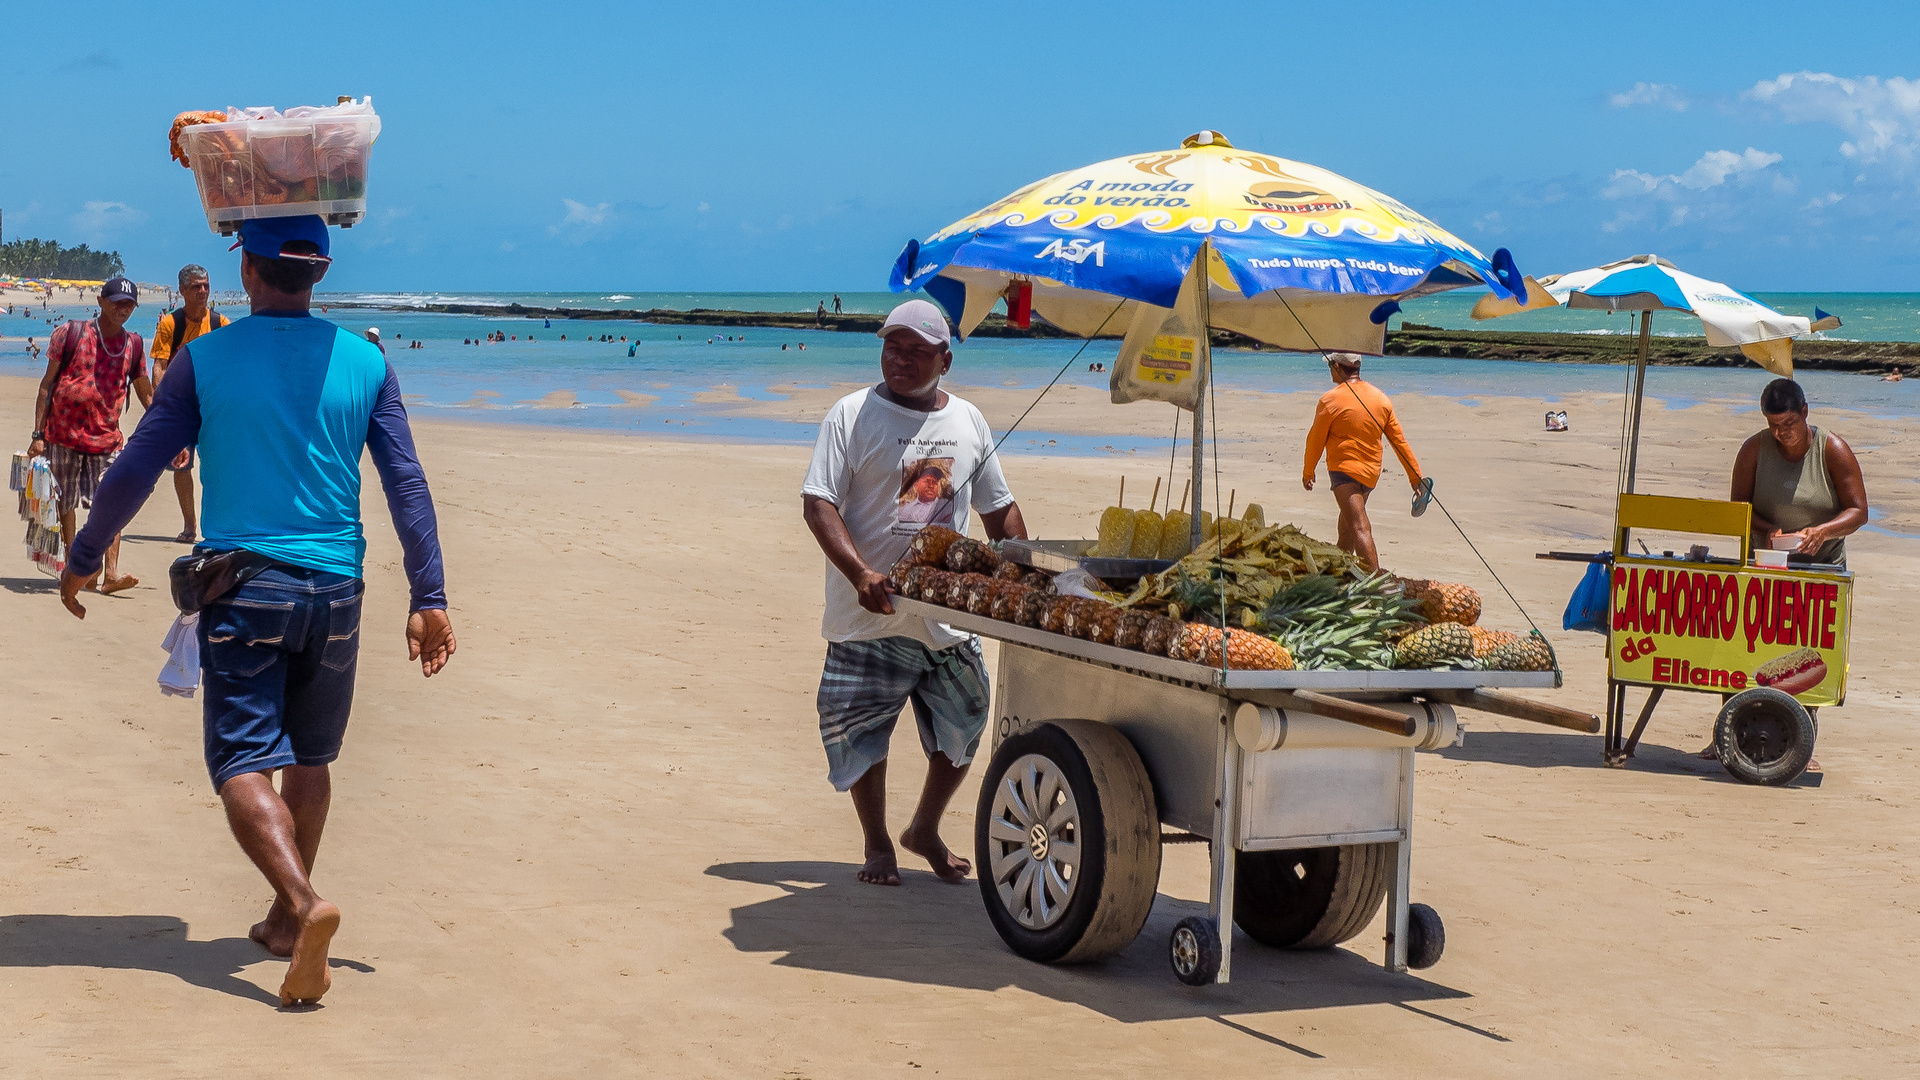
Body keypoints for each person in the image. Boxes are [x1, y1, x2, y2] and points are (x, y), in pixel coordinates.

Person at [59, 215, 456, 1008]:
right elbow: (405, 482)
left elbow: (138, 463)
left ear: (248, 271)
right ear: (320, 271)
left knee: (241, 761)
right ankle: (283, 918)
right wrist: (430, 595)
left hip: (247, 589)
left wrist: (82, 555)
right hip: (338, 591)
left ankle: (305, 906)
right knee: (311, 758)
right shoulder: (366, 361)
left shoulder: (205, 360)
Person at [801, 299, 1027, 887]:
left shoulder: (969, 421)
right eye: (892, 347)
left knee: (968, 717)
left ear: (945, 359)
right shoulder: (850, 415)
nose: (900, 360)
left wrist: (1021, 572)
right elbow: (818, 501)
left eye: (916, 351)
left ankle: (923, 827)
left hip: (944, 614)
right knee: (860, 729)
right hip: (868, 610)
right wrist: (859, 574)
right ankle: (877, 842)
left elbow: (999, 510)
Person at [25, 276, 153, 595]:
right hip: (62, 435)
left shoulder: (134, 345)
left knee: (112, 502)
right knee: (66, 503)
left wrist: (170, 433)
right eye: (116, 302)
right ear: (100, 302)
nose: (122, 309)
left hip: (106, 438)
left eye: (128, 304)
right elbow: (46, 384)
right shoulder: (69, 333)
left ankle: (110, 573)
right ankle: (77, 566)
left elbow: (146, 395)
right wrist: (37, 434)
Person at [1302, 352, 1422, 572]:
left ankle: (1375, 584)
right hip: (1370, 474)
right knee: (1347, 528)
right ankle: (1338, 576)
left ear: (1337, 366)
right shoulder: (1381, 398)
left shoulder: (1330, 400)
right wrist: (1415, 477)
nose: (1329, 369)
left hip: (1343, 472)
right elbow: (1399, 442)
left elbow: (1315, 440)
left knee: (1359, 527)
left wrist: (1308, 471)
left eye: (1330, 365)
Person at [1731, 378, 1866, 568]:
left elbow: (1859, 512)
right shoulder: (1753, 449)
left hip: (1823, 565)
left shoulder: (1832, 450)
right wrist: (1766, 530)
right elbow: (1738, 508)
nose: (1782, 432)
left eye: (1789, 423)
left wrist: (1823, 532)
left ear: (1804, 411)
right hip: (1766, 563)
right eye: (1774, 425)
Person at [150, 264, 230, 543]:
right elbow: (159, 365)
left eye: (206, 285)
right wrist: (161, 403)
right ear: (182, 290)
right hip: (181, 408)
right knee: (182, 467)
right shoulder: (171, 324)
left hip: (212, 408)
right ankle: (190, 526)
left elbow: (231, 366)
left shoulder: (221, 325)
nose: (203, 291)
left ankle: (216, 525)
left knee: (217, 466)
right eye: (196, 286)